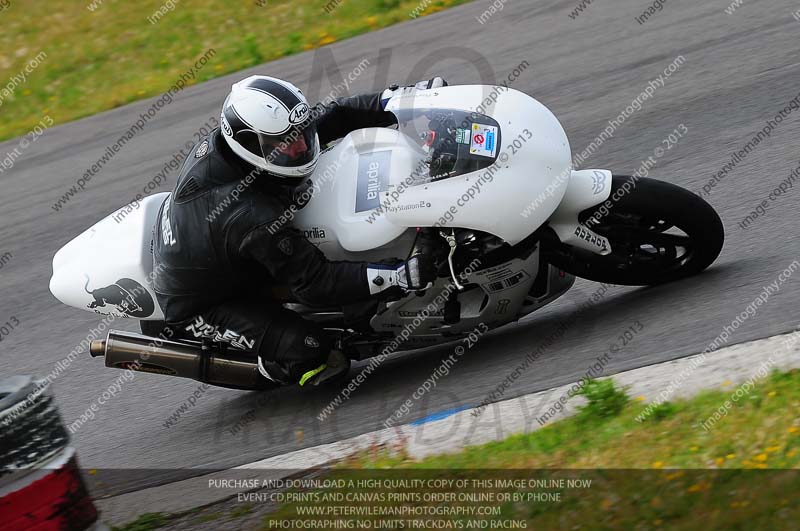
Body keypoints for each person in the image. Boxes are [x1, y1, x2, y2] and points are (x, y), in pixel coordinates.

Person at [153, 75, 445, 387]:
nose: (304, 144)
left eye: (301, 133)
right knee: (312, 351)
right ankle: (271, 367)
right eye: (290, 143)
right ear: (252, 144)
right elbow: (315, 283)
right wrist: (397, 276)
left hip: (211, 244)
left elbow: (334, 115)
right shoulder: (251, 216)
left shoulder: (256, 139)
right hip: (201, 304)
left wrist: (400, 100)